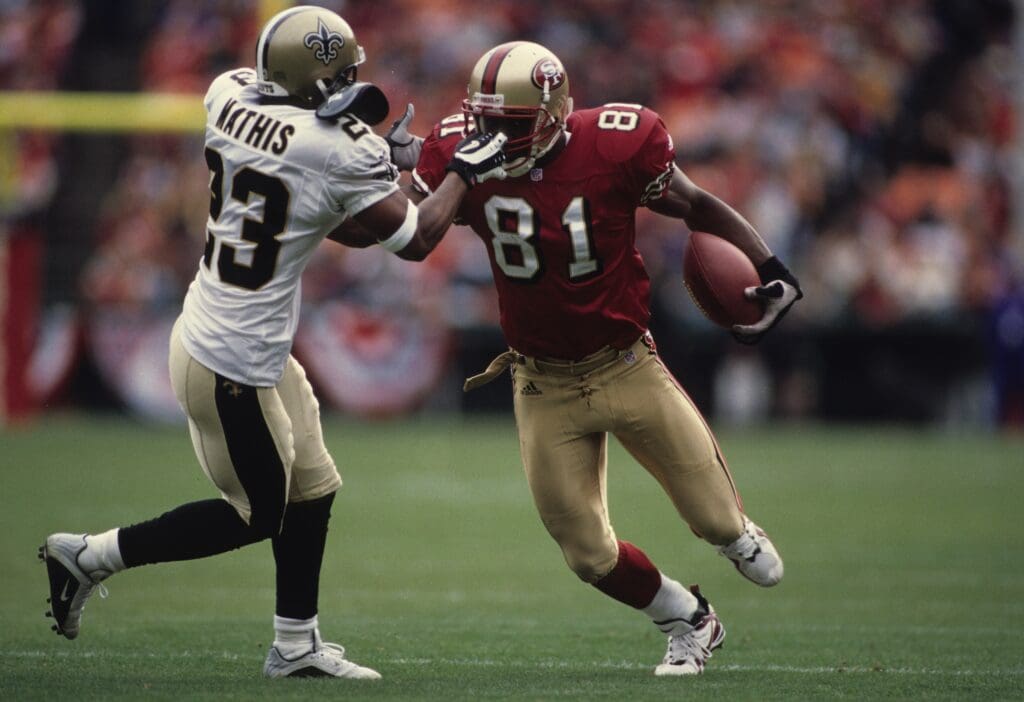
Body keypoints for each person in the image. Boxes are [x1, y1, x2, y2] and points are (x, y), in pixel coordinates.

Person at [39, 6, 506, 680]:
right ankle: (90, 555)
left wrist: (399, 176)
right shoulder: (335, 149)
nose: (350, 90)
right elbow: (418, 240)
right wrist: (454, 170)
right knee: (258, 511)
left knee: (314, 486)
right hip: (230, 363)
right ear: (311, 83)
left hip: (228, 338)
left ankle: (295, 645)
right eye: (339, 77)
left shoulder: (228, 94)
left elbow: (331, 214)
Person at [409, 41, 802, 676]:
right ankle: (686, 618)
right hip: (540, 383)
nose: (488, 137)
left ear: (552, 113)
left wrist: (769, 264)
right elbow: (415, 230)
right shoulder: (464, 153)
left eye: (505, 126)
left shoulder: (619, 142)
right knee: (587, 555)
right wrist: (443, 169)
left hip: (625, 363)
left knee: (718, 525)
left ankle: (736, 532)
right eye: (481, 121)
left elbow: (696, 204)